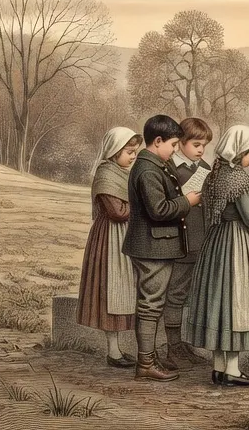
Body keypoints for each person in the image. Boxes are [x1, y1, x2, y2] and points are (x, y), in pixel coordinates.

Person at [185, 125, 249, 387]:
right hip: (237, 244)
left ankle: (217, 368)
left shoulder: (213, 175)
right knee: (236, 303)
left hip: (214, 244)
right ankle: (232, 370)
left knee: (218, 304)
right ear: (239, 152)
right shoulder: (239, 178)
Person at [123, 114, 199, 382]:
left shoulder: (155, 164)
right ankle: (146, 363)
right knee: (150, 306)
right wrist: (187, 201)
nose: (176, 149)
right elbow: (159, 210)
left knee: (151, 305)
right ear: (158, 141)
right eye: (174, 144)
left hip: (156, 245)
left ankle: (149, 359)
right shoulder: (147, 169)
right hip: (152, 246)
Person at [77, 127, 142, 367]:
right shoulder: (106, 174)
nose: (133, 156)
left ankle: (117, 350)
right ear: (114, 151)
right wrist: (142, 205)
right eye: (129, 151)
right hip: (109, 240)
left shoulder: (124, 172)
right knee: (110, 294)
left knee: (123, 292)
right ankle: (113, 352)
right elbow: (118, 212)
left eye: (135, 151)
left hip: (124, 237)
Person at [164, 117, 212, 369]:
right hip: (179, 240)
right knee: (176, 293)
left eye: (204, 144)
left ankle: (183, 345)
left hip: (200, 240)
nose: (201, 149)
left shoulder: (205, 167)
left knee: (189, 295)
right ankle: (172, 348)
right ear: (180, 143)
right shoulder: (168, 167)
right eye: (196, 144)